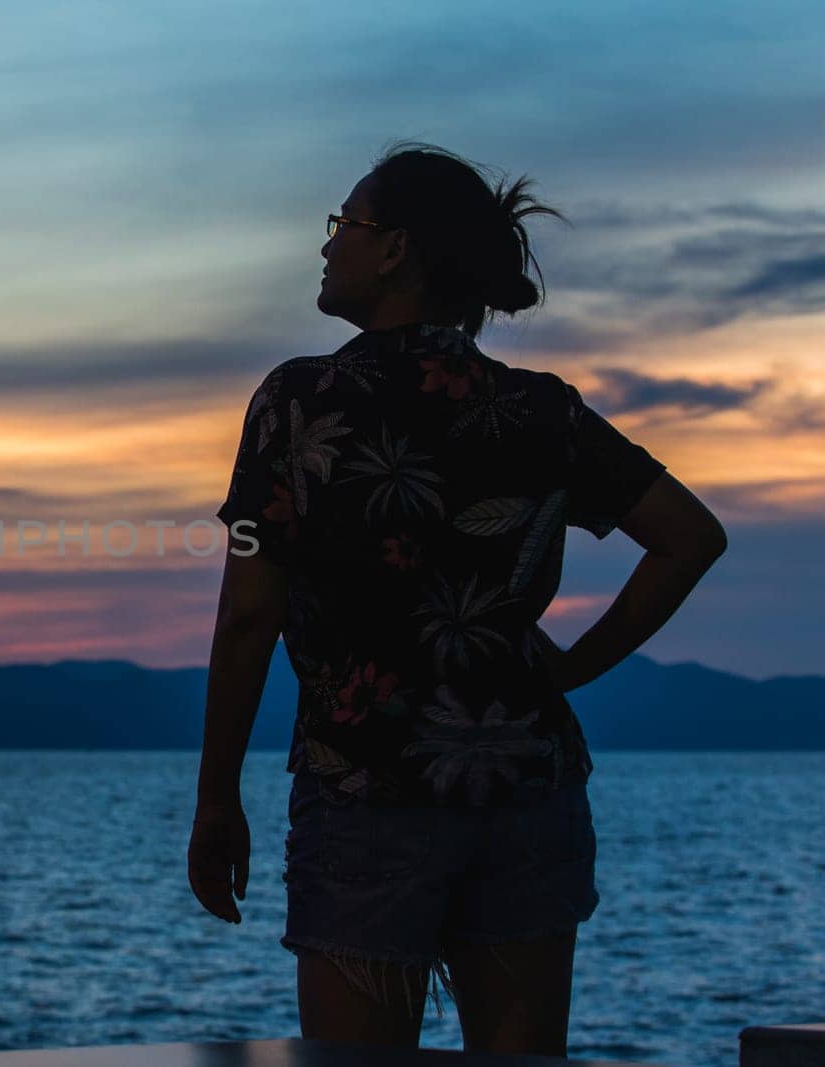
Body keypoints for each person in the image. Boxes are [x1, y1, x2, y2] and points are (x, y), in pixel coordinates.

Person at [186, 141, 727, 1056]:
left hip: (368, 789)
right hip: (526, 787)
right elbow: (690, 537)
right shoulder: (541, 411)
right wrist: (570, 671)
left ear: (394, 249)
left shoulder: (299, 404)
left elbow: (247, 616)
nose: (327, 247)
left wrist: (215, 800)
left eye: (343, 224)